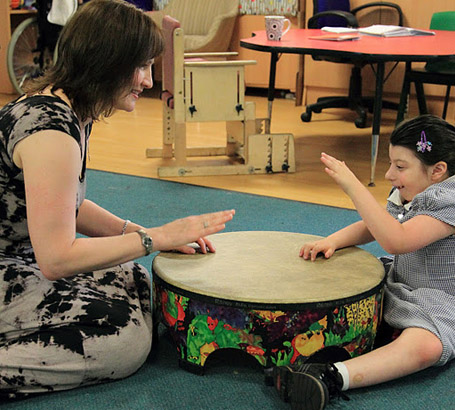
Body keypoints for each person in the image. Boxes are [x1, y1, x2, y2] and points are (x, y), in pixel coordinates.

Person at [0, 0, 234, 398]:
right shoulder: (51, 133)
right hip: (18, 261)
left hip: (20, 253)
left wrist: (139, 232)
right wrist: (154, 238)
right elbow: (56, 259)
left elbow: (65, 205)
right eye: (141, 66)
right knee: (124, 342)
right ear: (106, 62)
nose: (147, 80)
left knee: (134, 278)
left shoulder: (69, 110)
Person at [270, 114, 455, 410]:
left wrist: (354, 187)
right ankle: (280, 343)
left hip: (444, 300)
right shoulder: (414, 190)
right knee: (349, 277)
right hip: (400, 281)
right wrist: (333, 240)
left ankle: (330, 376)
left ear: (438, 171)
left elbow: (398, 240)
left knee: (428, 347)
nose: (389, 175)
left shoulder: (450, 200)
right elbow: (380, 222)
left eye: (400, 167)